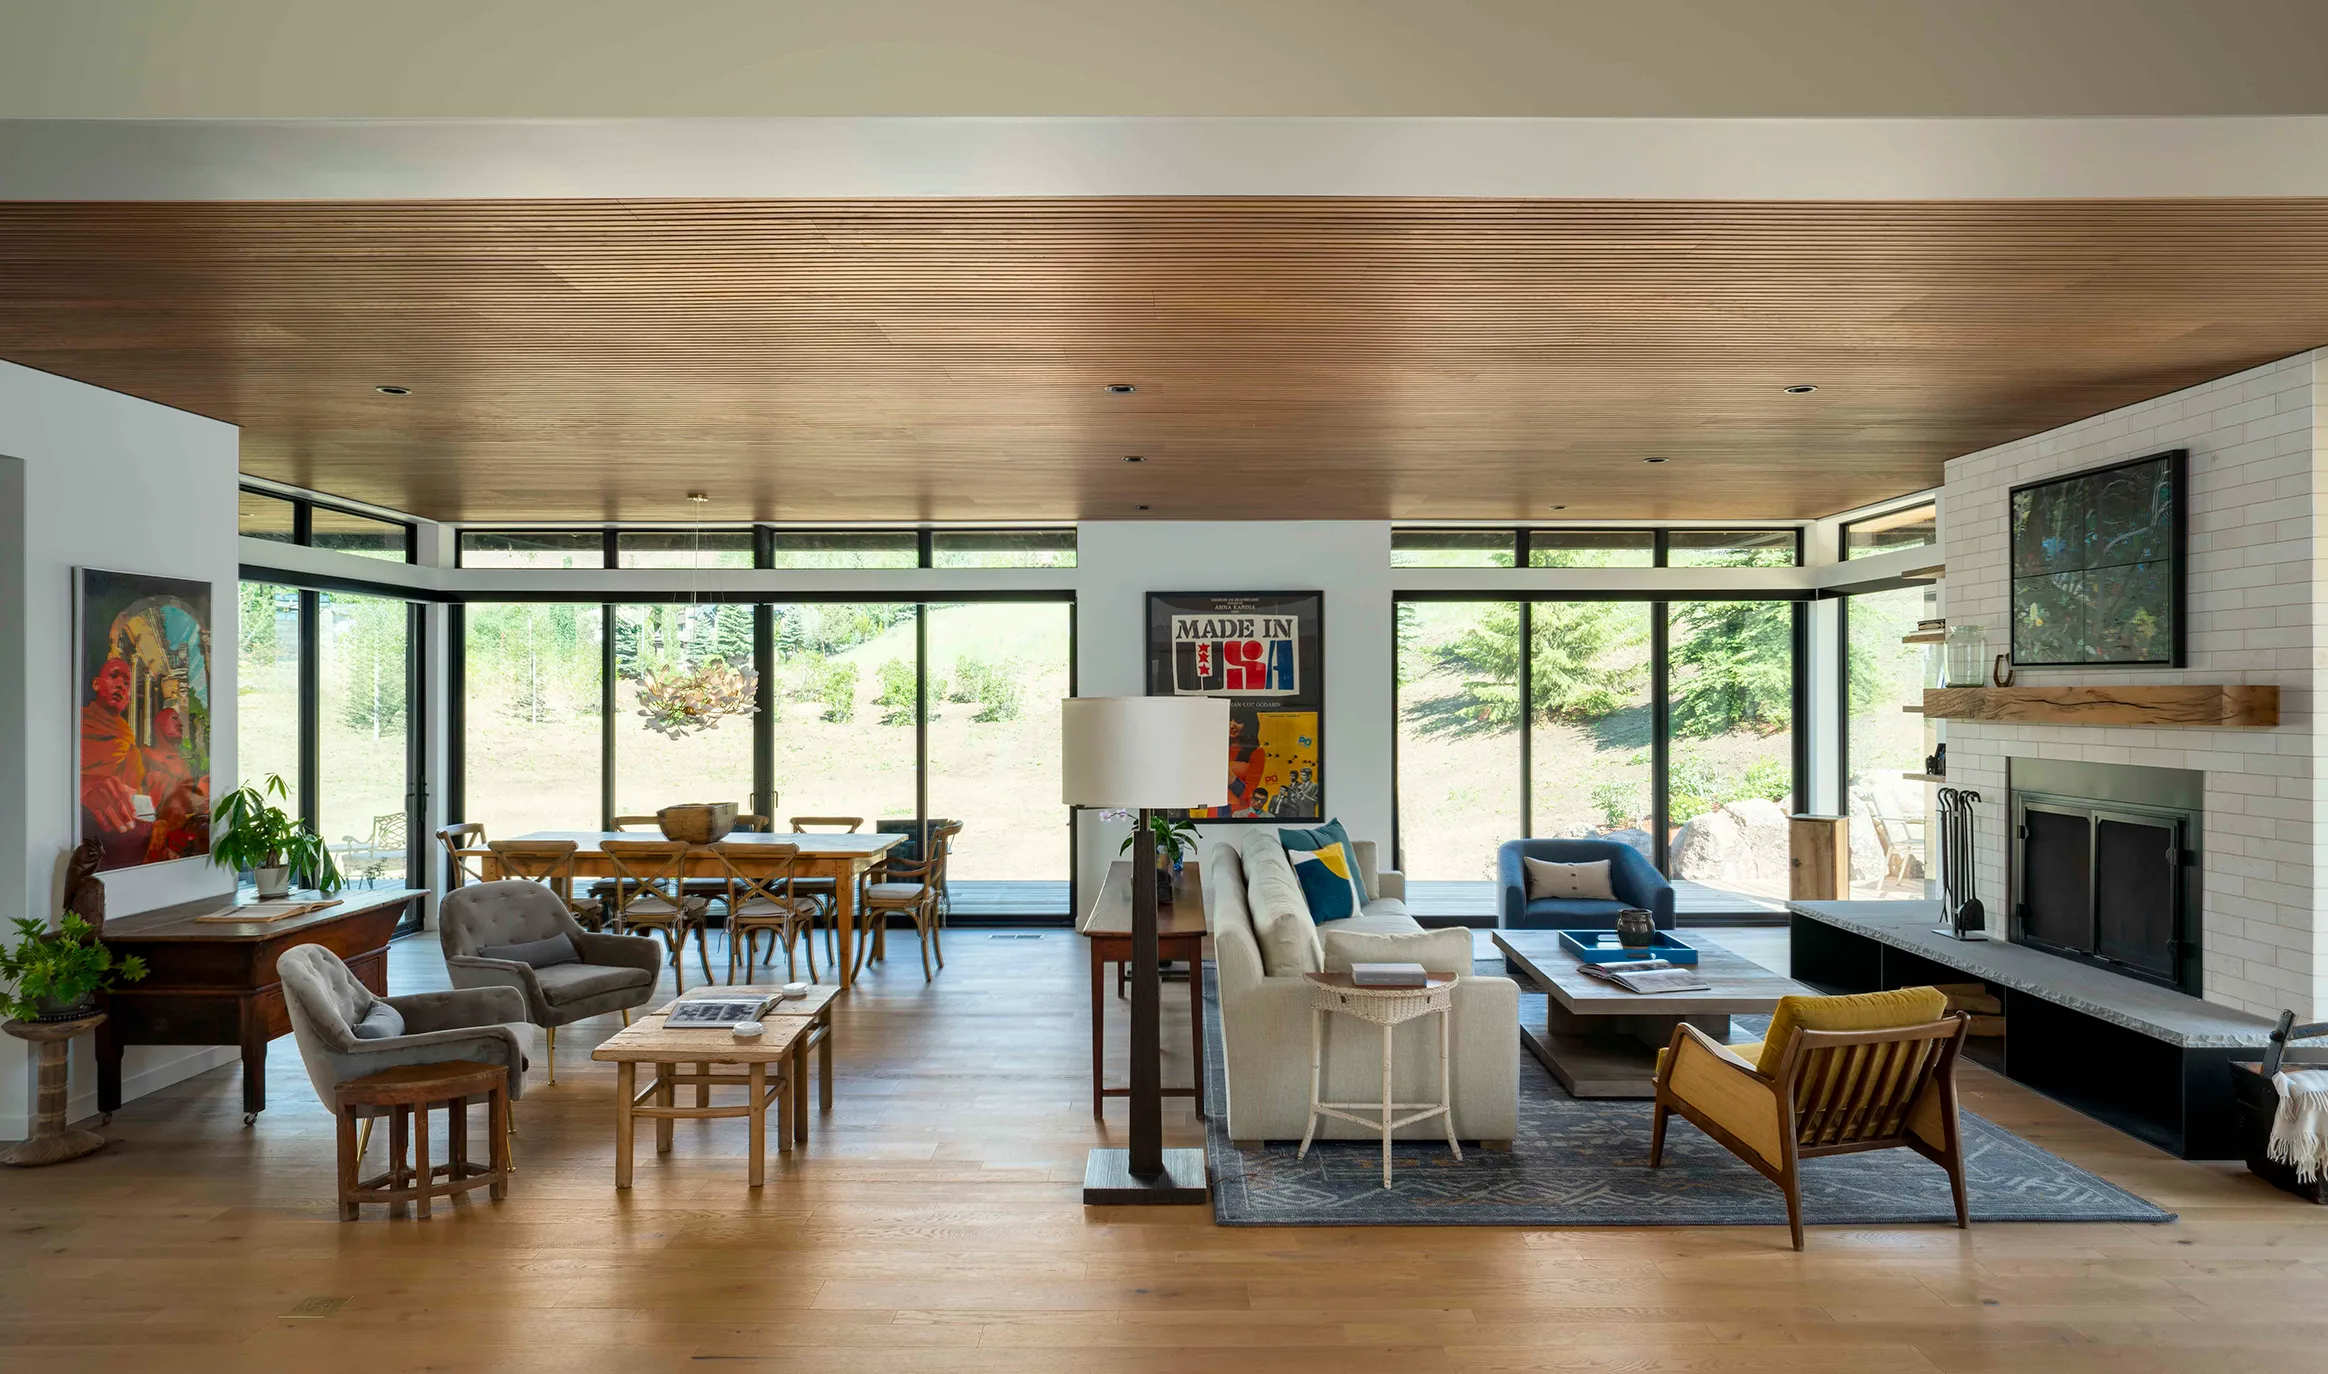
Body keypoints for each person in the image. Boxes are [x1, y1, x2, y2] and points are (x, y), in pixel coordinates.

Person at [79, 655, 153, 867]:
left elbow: (133, 801)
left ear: (129, 697)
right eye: (114, 676)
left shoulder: (130, 748)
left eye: (127, 682)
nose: (120, 684)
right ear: (96, 683)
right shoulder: (75, 726)